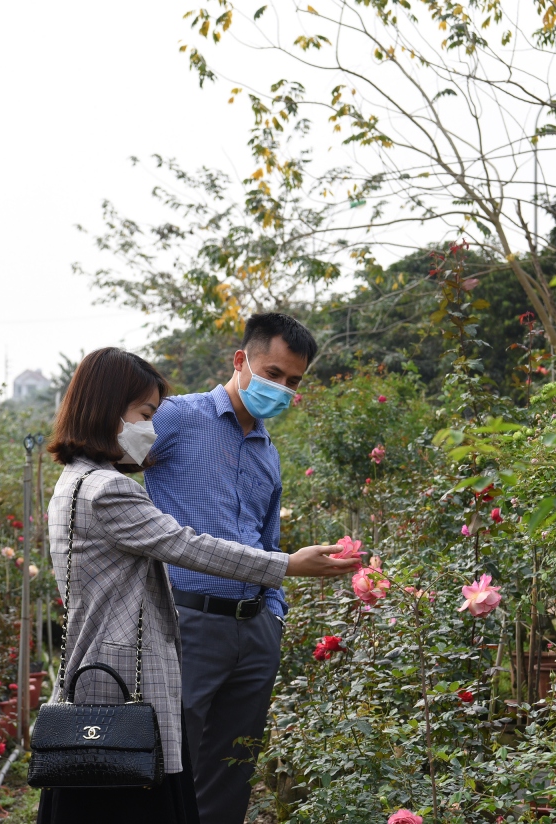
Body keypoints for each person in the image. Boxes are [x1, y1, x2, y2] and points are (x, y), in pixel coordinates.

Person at [38, 347, 356, 824]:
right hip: (128, 668)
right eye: (145, 414)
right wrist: (286, 565)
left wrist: (273, 606)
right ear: (107, 409)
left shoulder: (76, 481)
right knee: (142, 794)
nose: (151, 426)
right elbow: (184, 544)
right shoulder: (109, 489)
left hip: (198, 635)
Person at [143, 313, 315, 824]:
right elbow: (112, 462)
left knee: (232, 769)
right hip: (188, 622)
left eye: (293, 382)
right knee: (171, 763)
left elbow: (268, 540)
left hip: (255, 629)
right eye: (273, 372)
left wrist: (274, 617)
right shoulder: (178, 417)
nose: (281, 388)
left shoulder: (268, 452)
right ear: (240, 360)